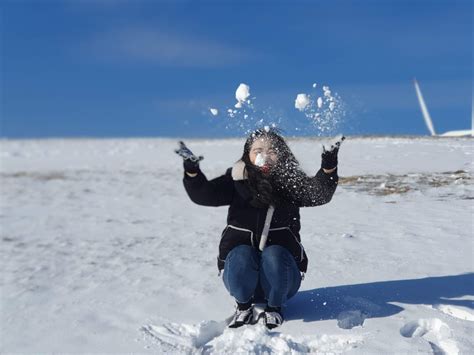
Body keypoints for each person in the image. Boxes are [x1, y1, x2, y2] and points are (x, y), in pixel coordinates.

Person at [175, 128, 341, 329]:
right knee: (241, 253)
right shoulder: (236, 180)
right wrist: (192, 171)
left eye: (272, 150)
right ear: (248, 155)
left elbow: (318, 193)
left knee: (274, 253)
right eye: (258, 150)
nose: (264, 154)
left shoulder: (291, 183)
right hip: (239, 279)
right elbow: (204, 195)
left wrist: (329, 166)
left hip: (283, 281)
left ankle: (275, 309)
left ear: (281, 154)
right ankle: (242, 306)